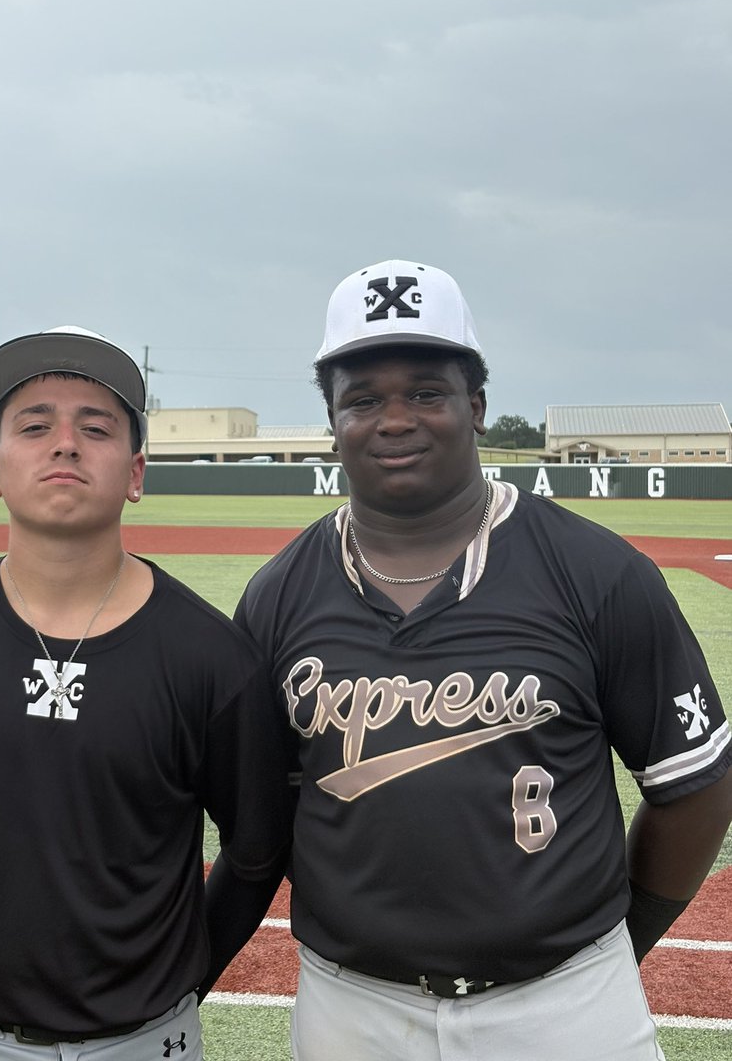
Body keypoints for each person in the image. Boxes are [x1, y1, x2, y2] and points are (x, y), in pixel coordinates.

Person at [234, 260, 732, 1061]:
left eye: (426, 391)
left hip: (567, 1003)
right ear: (332, 420)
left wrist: (613, 949)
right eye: (362, 398)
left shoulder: (598, 573)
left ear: (477, 406)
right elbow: (261, 813)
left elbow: (695, 789)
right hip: (349, 1006)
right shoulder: (279, 595)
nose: (394, 419)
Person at [0, 325, 291, 1060]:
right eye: (35, 424)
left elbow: (255, 847)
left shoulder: (212, 657)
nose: (66, 444)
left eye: (96, 427)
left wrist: (181, 972)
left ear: (137, 474)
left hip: (143, 1042)